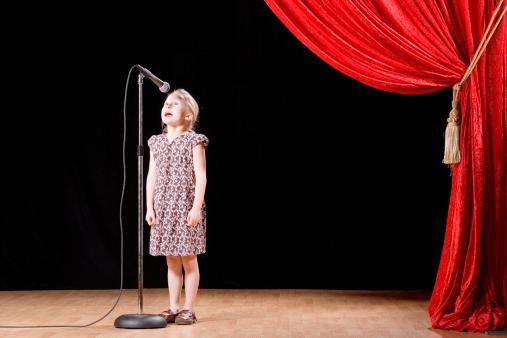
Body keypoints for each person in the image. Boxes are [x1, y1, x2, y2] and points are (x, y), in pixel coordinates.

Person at [145, 88, 208, 325]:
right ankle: (173, 306)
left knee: (188, 259)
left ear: (188, 115)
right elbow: (152, 175)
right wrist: (150, 207)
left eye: (174, 104)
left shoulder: (195, 140)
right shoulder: (156, 142)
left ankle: (188, 309)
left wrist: (195, 207)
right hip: (163, 208)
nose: (167, 107)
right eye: (165, 104)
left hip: (185, 207)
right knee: (171, 260)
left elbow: (201, 176)